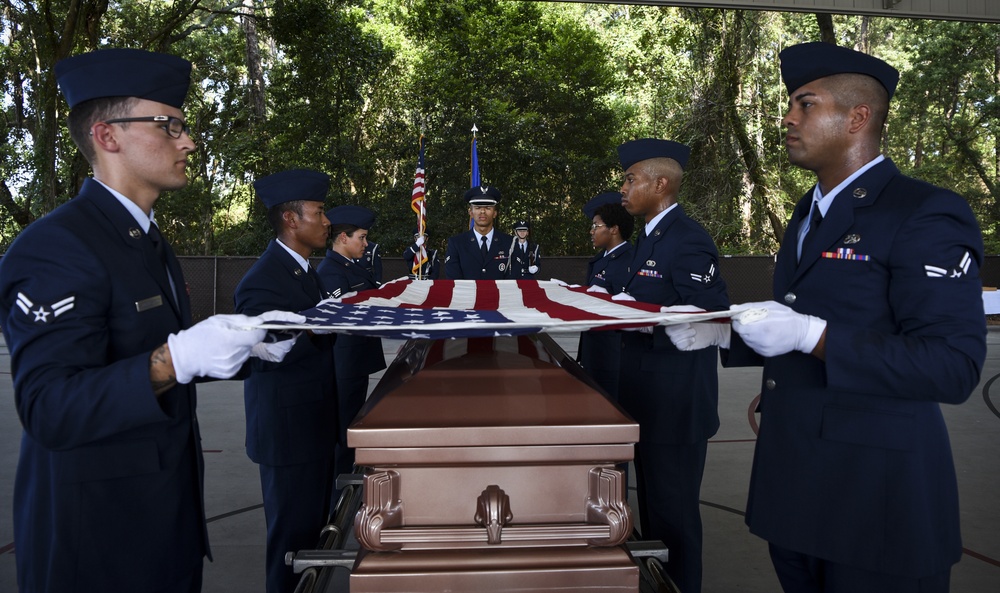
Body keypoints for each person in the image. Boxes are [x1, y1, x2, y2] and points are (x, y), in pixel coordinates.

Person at [667, 42, 987, 593]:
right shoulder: (809, 210)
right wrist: (722, 332)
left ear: (857, 118)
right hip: (795, 493)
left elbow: (951, 366)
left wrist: (813, 335)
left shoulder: (923, 211)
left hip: (874, 503)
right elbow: (799, 317)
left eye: (805, 104)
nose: (788, 118)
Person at [0, 48, 300, 593]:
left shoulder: (143, 238)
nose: (187, 141)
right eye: (169, 125)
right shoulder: (57, 247)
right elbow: (49, 409)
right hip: (97, 543)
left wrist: (238, 349)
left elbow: (139, 353)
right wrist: (177, 357)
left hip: (160, 525)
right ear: (107, 136)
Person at [613, 138, 731, 593]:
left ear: (661, 184)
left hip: (677, 403)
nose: (623, 189)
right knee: (656, 510)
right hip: (647, 396)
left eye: (631, 180)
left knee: (675, 514)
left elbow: (711, 315)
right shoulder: (650, 237)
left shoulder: (688, 238)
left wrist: (645, 321)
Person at [233, 169, 339, 593]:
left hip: (311, 427)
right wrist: (319, 328)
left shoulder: (303, 272)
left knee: (311, 539)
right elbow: (264, 353)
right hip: (289, 435)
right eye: (319, 211)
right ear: (292, 220)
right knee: (291, 548)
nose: (327, 220)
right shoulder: (262, 281)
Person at [316, 205, 387, 488]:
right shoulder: (331, 271)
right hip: (344, 365)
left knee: (352, 424)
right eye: (362, 237)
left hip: (356, 362)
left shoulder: (351, 266)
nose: (366, 244)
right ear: (343, 238)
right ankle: (338, 491)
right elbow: (348, 311)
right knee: (344, 432)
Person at [576, 191, 634, 401]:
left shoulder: (629, 261)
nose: (591, 231)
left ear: (614, 229)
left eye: (596, 226)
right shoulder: (601, 259)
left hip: (613, 355)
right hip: (595, 350)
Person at [445, 186, 514, 280]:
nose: (482, 211)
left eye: (488, 208)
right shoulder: (456, 244)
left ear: (495, 213)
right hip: (468, 295)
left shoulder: (510, 243)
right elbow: (454, 281)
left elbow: (513, 281)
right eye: (477, 207)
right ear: (471, 212)